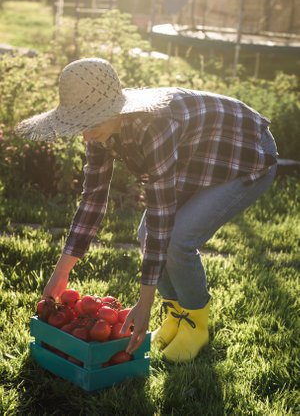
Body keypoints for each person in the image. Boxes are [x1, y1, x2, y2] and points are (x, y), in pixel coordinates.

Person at [16, 57, 277, 362]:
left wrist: (144, 303)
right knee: (146, 234)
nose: (85, 135)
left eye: (89, 124)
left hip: (247, 156)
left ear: (114, 110)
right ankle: (175, 317)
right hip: (196, 159)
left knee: (178, 239)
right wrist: (61, 273)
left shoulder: (155, 125)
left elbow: (161, 215)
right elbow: (93, 199)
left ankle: (196, 324)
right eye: (79, 126)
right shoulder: (99, 130)